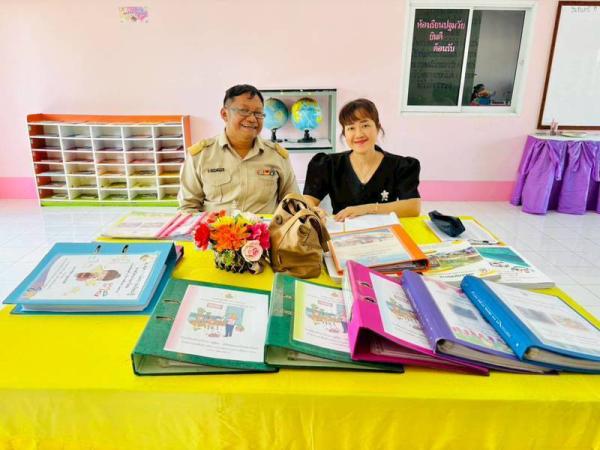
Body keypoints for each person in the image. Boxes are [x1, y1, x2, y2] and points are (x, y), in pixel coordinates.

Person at [178, 84, 299, 214]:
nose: (252, 119)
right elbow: (188, 207)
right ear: (225, 114)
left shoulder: (277, 156)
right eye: (244, 111)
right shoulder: (200, 156)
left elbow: (293, 204)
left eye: (258, 113)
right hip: (217, 227)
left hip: (265, 227)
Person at [303, 98, 421, 221]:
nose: (359, 134)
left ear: (377, 127)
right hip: (342, 231)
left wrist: (366, 209)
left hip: (384, 231)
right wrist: (313, 210)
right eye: (351, 128)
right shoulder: (328, 164)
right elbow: (308, 200)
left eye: (365, 125)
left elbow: (413, 207)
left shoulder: (401, 165)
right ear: (344, 133)